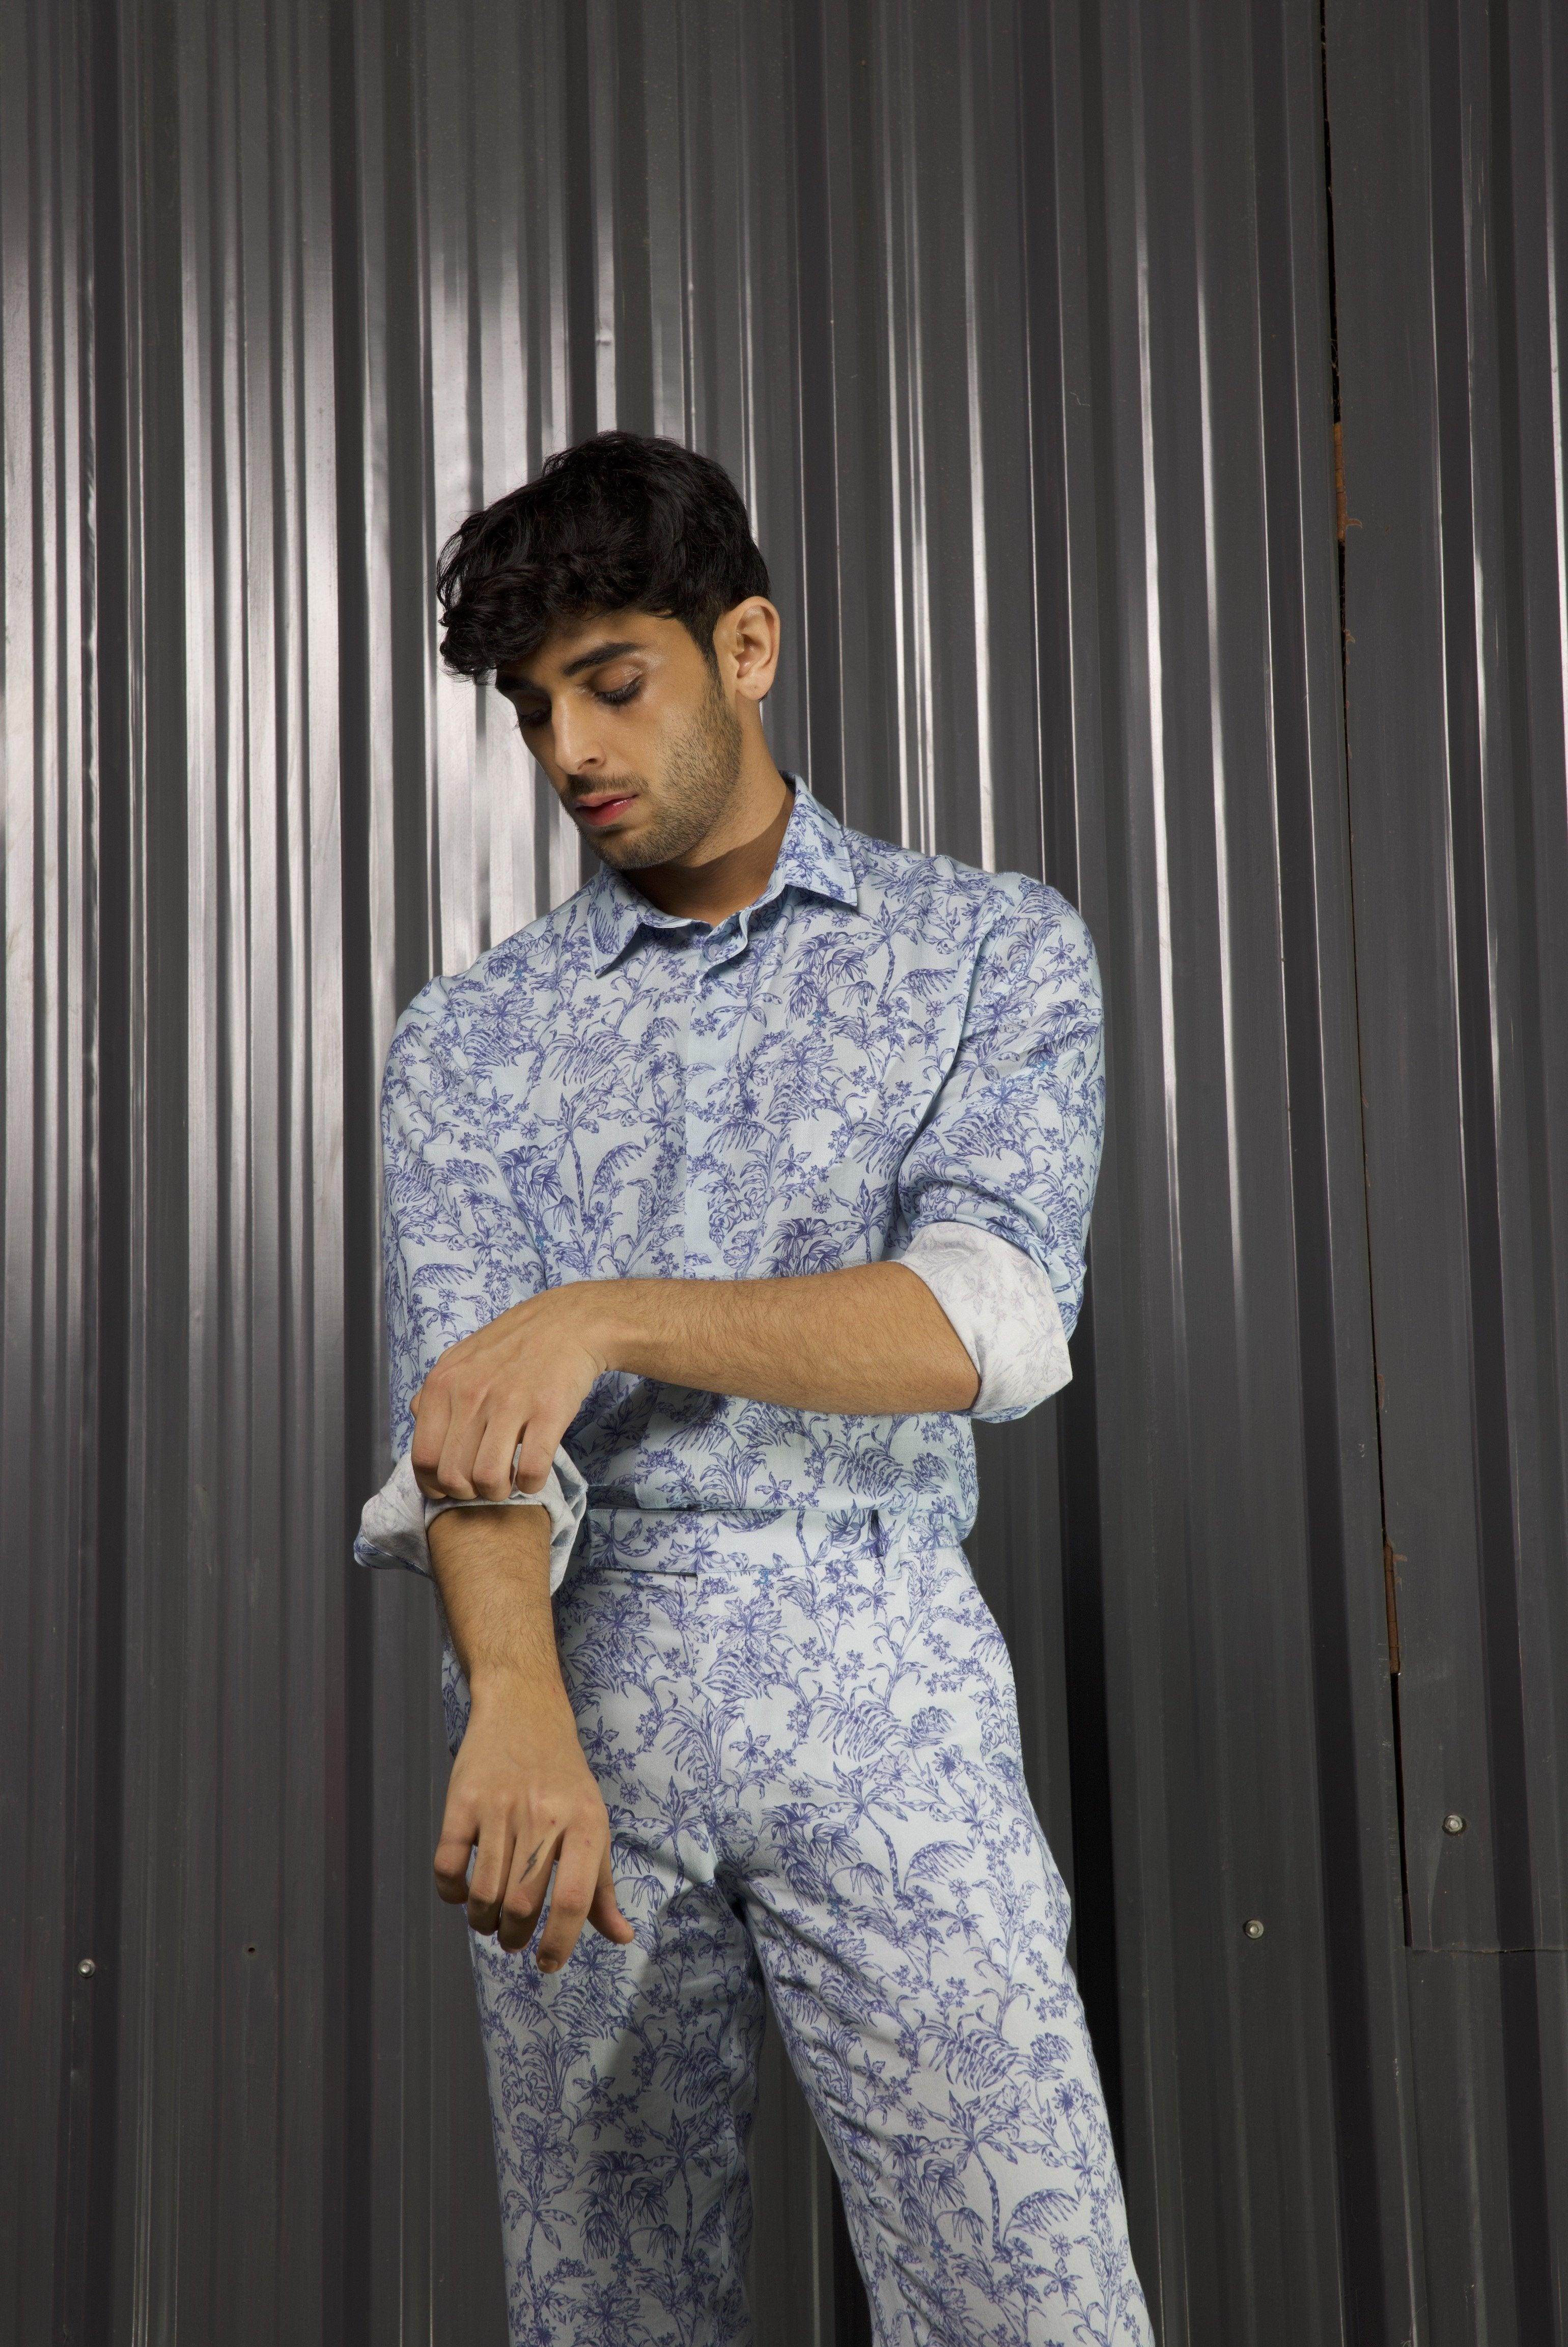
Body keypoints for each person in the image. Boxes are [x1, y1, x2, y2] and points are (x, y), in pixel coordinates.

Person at [354, 430, 1153, 2347]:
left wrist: (599, 1316)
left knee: (1035, 2306)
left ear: (748, 646)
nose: (570, 750)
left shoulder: (990, 950)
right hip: (575, 1715)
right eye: (533, 709)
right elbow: (466, 1433)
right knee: (608, 2315)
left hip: (887, 1692)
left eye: (611, 683)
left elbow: (984, 1320)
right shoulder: (470, 1043)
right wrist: (515, 1704)